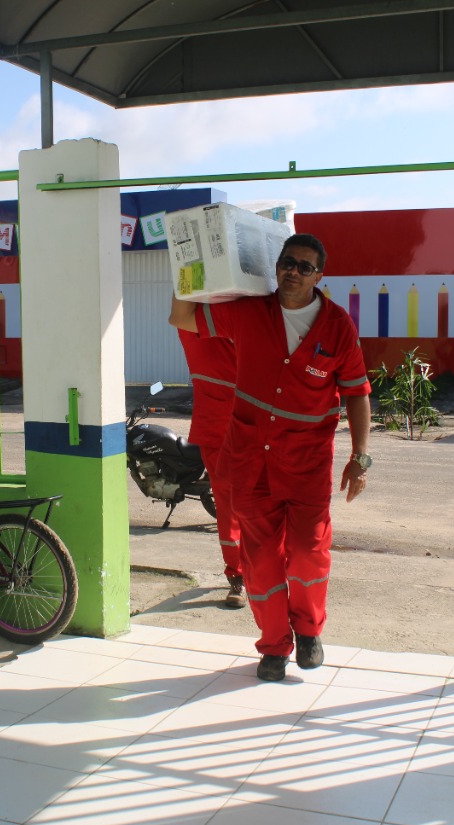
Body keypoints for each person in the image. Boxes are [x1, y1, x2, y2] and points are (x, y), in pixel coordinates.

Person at [169, 233, 372, 682]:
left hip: (308, 463)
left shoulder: (337, 325)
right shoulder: (246, 313)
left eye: (304, 266)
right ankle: (274, 645)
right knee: (259, 560)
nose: (293, 272)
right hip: (250, 459)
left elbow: (356, 393)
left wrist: (361, 456)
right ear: (275, 266)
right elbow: (180, 315)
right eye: (287, 263)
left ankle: (309, 631)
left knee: (307, 552)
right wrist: (190, 260)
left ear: (319, 276)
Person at [176, 329, 245, 608]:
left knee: (260, 507)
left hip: (256, 431)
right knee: (229, 509)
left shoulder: (251, 329)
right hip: (218, 434)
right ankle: (238, 577)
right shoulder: (198, 336)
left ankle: (262, 572)